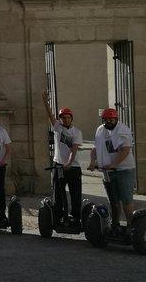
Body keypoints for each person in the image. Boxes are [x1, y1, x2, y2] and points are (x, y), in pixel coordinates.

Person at [88, 108, 136, 233]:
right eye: (106, 119)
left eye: (112, 119)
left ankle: (132, 227)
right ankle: (115, 225)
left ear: (116, 119)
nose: (109, 121)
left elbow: (125, 150)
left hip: (124, 170)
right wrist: (93, 162)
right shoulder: (100, 130)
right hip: (108, 172)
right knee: (114, 201)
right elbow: (95, 148)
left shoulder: (123, 130)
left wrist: (113, 164)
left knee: (126, 200)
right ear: (103, 120)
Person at [41, 91, 84, 226]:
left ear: (71, 118)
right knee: (58, 193)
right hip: (58, 165)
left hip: (73, 167)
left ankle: (76, 217)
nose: (65, 120)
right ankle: (58, 216)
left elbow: (74, 149)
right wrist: (45, 102)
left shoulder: (76, 132)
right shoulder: (57, 127)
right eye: (63, 118)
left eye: (67, 117)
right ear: (60, 119)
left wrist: (69, 163)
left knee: (75, 193)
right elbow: (50, 115)